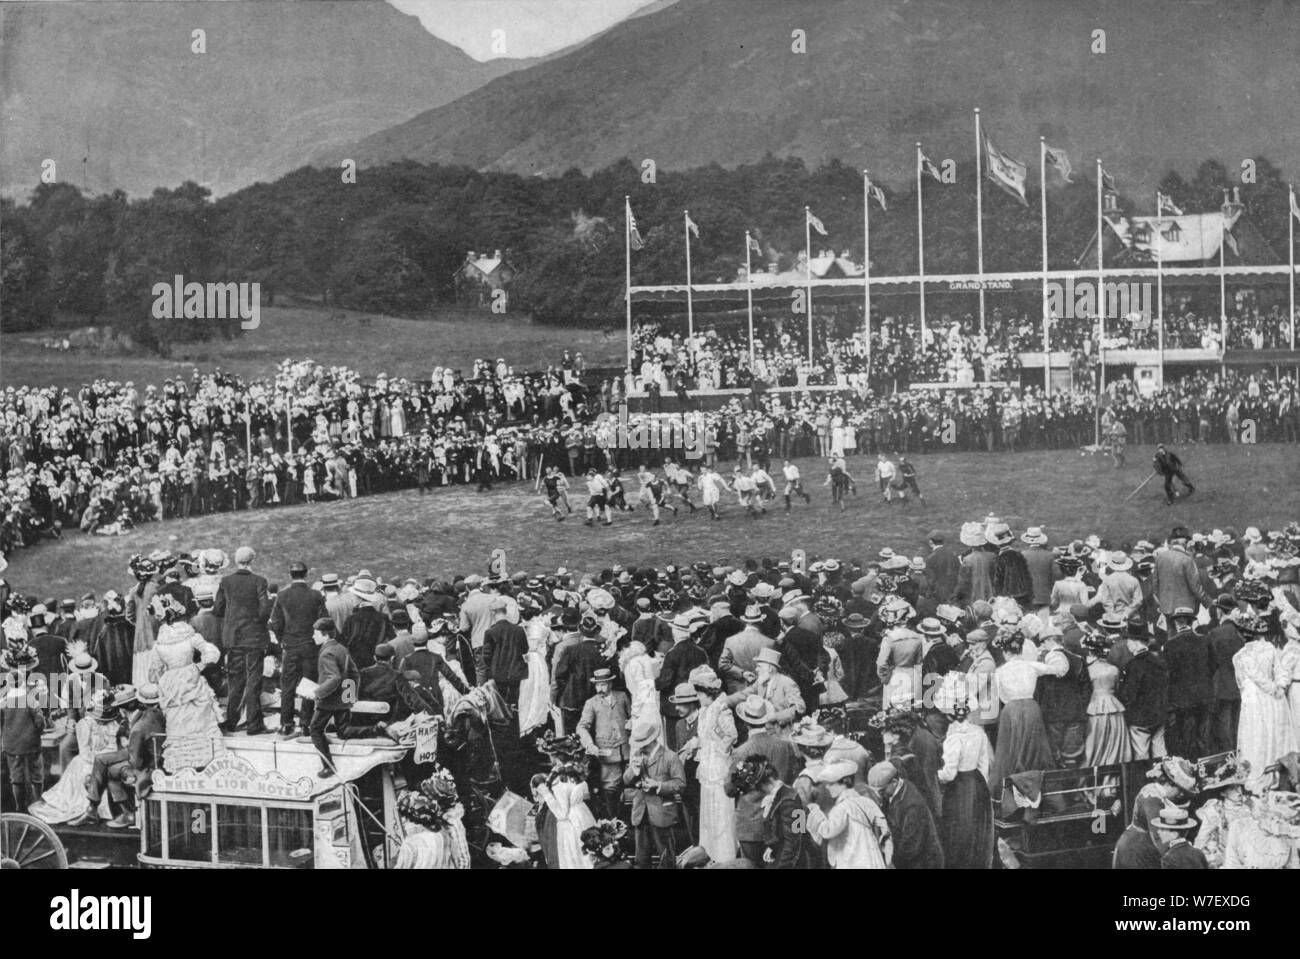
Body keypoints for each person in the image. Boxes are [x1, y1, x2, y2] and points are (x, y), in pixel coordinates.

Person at [146, 593, 224, 765]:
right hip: (191, 676)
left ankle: (183, 761)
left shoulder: (160, 644)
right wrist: (199, 666)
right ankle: (206, 758)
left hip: (171, 682)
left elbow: (154, 672)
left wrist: (164, 681)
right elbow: (212, 652)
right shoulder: (190, 636)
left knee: (177, 720)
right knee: (199, 717)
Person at [726, 696, 802, 866]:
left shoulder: (741, 752)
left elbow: (729, 789)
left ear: (745, 723)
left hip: (751, 825)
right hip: (781, 823)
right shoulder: (785, 746)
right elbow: (792, 777)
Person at [988, 627, 1057, 799]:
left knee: (1010, 751)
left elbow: (996, 696)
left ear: (1004, 652)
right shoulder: (1032, 666)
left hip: (1011, 711)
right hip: (1032, 708)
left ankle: (1010, 793)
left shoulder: (1000, 672)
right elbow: (1057, 669)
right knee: (1036, 749)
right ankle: (1037, 790)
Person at [1232, 612, 1298, 792]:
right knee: (1272, 734)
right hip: (1274, 700)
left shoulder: (1240, 656)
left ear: (1242, 633)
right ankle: (1274, 776)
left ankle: (1258, 775)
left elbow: (1247, 680)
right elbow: (1282, 672)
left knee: (1256, 735)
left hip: (1254, 701)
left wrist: (1272, 688)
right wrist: (1279, 687)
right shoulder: (1270, 648)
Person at [214, 545, 272, 735]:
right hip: (254, 638)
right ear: (252, 561)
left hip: (233, 638)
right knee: (254, 680)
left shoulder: (226, 581)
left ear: (237, 561)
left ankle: (231, 721)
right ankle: (254, 724)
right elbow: (265, 610)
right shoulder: (259, 581)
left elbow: (218, 609)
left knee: (235, 680)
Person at [686, 665, 737, 864]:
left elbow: (732, 736)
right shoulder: (705, 710)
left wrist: (716, 747)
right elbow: (703, 735)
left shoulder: (721, 708)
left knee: (721, 809)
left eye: (699, 694)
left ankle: (725, 855)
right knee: (708, 808)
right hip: (707, 764)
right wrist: (695, 744)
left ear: (708, 693)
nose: (697, 698)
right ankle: (709, 851)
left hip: (718, 764)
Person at [270, 561, 327, 737]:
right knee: (309, 685)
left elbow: (276, 623)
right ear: (306, 574)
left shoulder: (282, 595)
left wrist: (282, 641)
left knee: (287, 685)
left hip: (290, 646)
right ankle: (305, 724)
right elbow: (323, 621)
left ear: (290, 574)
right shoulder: (316, 595)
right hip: (309, 646)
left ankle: (286, 723)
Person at [936, 697, 994, 869]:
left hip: (959, 786)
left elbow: (949, 773)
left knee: (960, 828)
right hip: (977, 783)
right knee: (976, 828)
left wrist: (934, 775)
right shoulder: (979, 732)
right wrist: (980, 784)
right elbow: (984, 764)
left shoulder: (953, 736)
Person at [802, 760, 891, 869]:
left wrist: (816, 813)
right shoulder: (866, 801)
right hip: (871, 856)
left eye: (831, 784)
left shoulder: (842, 808)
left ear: (845, 782)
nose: (827, 787)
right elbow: (883, 825)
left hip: (852, 858)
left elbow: (827, 831)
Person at [623, 719, 686, 868]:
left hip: (662, 813)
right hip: (640, 814)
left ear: (651, 741)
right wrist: (634, 770)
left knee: (666, 859)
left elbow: (681, 784)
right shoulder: (638, 755)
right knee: (641, 859)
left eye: (642, 744)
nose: (639, 747)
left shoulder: (670, 757)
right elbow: (625, 780)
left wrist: (658, 786)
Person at [576, 668, 631, 820]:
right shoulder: (591, 703)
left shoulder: (622, 697)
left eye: (603, 684)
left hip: (627, 751)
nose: (600, 688)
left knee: (629, 787)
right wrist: (590, 745)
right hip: (607, 754)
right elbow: (582, 727)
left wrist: (632, 723)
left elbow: (633, 716)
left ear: (610, 683)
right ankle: (614, 822)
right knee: (611, 789)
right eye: (597, 685)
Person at [867, 761, 944, 869]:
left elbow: (911, 845)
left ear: (894, 782)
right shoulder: (897, 789)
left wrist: (891, 863)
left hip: (923, 862)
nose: (879, 795)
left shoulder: (912, 805)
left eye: (882, 791)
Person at [308, 617, 360, 778]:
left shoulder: (326, 653)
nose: (313, 636)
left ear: (325, 635)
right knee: (343, 731)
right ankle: (378, 729)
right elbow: (354, 673)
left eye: (315, 633)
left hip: (329, 701)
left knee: (314, 729)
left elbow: (334, 678)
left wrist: (317, 693)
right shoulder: (341, 648)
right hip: (342, 700)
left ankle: (328, 766)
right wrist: (349, 698)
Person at [1118, 622, 1170, 760]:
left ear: (1135, 643)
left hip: (1140, 717)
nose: (1127, 644)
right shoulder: (1159, 662)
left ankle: (1144, 780)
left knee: (1141, 753)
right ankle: (1164, 778)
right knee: (1160, 751)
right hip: (1159, 713)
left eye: (1129, 641)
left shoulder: (1133, 665)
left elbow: (1128, 694)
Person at [534, 759, 597, 870]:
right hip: (584, 814)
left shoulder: (560, 786)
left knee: (574, 853)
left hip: (570, 822)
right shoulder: (579, 779)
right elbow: (586, 796)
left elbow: (562, 814)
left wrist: (547, 794)